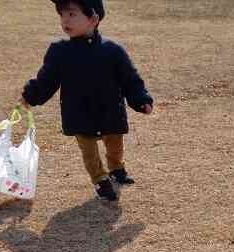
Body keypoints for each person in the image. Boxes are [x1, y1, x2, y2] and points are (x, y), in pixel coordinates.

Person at [20, 0, 153, 202]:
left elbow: (130, 78)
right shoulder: (60, 51)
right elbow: (46, 80)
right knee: (89, 152)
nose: (65, 20)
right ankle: (100, 180)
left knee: (115, 145)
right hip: (78, 113)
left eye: (72, 15)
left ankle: (117, 168)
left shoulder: (113, 51)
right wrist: (31, 96)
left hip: (110, 110)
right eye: (62, 15)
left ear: (93, 19)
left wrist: (141, 99)